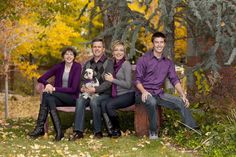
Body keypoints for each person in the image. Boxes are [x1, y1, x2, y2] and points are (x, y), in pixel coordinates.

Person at [135, 32, 198, 140]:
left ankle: (193, 131)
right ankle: (153, 132)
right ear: (153, 44)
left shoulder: (168, 63)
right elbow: (137, 80)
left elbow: (174, 79)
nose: (159, 45)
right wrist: (144, 91)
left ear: (164, 44)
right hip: (143, 93)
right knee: (152, 102)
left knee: (181, 102)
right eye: (156, 42)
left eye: (161, 42)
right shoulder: (144, 60)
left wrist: (183, 94)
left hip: (159, 93)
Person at [28, 46, 82, 141]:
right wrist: (47, 84)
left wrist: (54, 88)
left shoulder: (77, 67)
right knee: (48, 98)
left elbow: (73, 89)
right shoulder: (59, 66)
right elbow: (41, 78)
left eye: (71, 54)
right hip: (58, 98)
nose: (69, 56)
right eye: (66, 54)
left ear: (74, 56)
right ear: (63, 56)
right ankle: (59, 132)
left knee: (47, 94)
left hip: (72, 98)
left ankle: (40, 128)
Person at [71, 38, 114, 140]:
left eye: (99, 47)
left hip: (104, 94)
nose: (97, 49)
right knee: (80, 100)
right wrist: (82, 87)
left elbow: (108, 83)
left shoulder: (109, 62)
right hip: (88, 92)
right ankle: (78, 132)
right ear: (92, 48)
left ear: (103, 49)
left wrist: (95, 90)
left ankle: (98, 131)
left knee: (94, 101)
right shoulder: (88, 63)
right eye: (95, 47)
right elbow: (81, 80)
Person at [101, 40, 135, 138]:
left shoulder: (126, 64)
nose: (118, 52)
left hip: (128, 94)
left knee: (109, 105)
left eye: (121, 50)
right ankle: (110, 130)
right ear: (113, 52)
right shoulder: (113, 64)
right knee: (103, 104)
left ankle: (117, 130)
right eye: (116, 50)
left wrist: (112, 80)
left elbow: (128, 84)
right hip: (117, 95)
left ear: (124, 53)